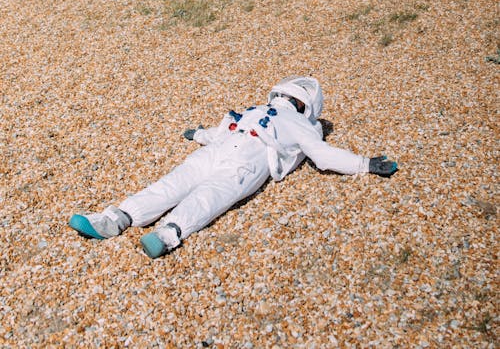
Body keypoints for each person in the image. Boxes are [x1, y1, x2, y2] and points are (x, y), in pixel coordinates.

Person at [68, 76, 398, 259]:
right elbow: (225, 128)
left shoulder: (296, 124)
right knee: (186, 184)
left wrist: (363, 163)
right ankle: (125, 220)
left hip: (249, 157)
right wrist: (199, 134)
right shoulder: (268, 114)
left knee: (204, 192)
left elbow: (321, 154)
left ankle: (156, 228)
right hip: (228, 149)